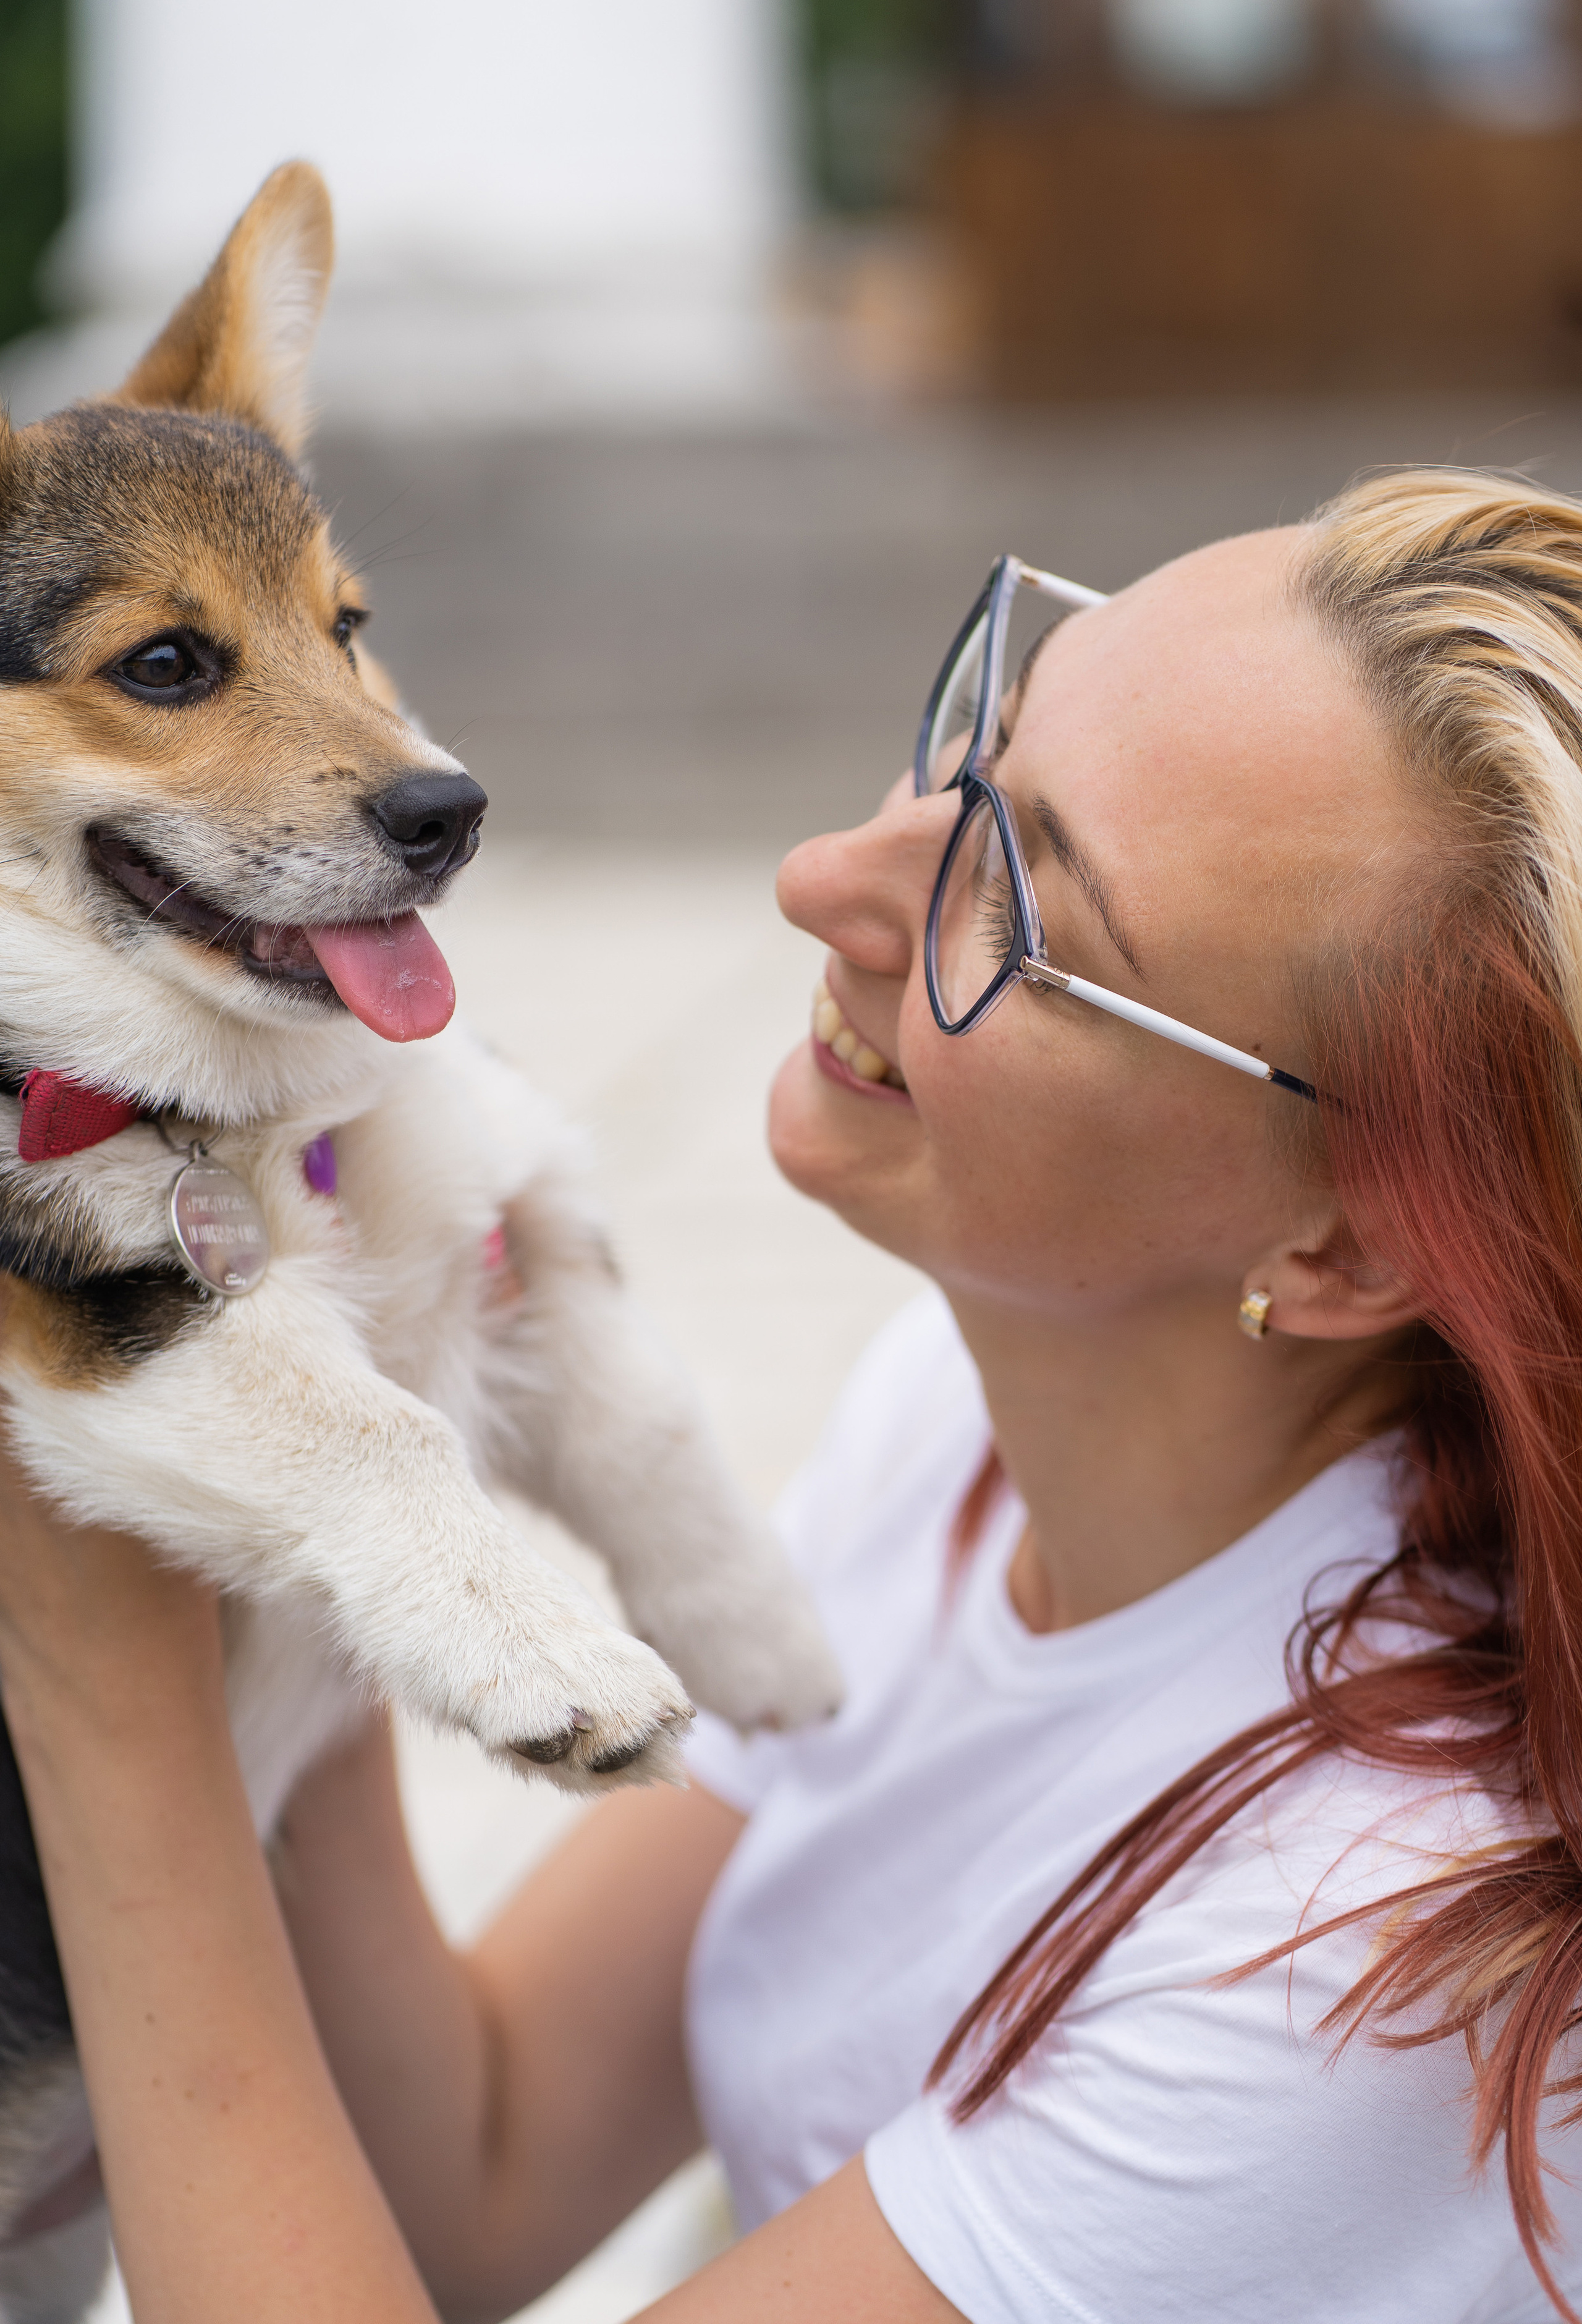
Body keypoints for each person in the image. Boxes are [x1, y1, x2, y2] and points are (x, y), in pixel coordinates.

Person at [3, 467, 1581, 2324]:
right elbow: (474, 2173)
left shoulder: (1368, 1962)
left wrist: (102, 1697)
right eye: (975, 740)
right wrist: (289, 1418)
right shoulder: (975, 1432)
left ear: (1349, 1250)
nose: (824, 876)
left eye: (1030, 905)